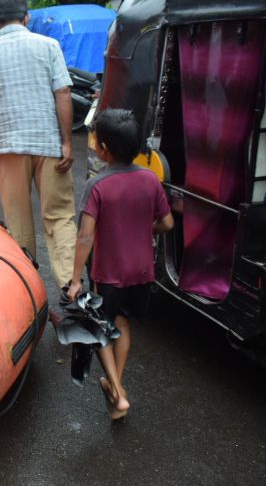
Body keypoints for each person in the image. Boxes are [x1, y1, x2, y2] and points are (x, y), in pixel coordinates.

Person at [0, 0, 76, 288]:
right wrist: (66, 142)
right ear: (26, 17)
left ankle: (30, 294)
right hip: (50, 146)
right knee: (59, 218)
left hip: (9, 149)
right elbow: (63, 92)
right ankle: (71, 290)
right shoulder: (49, 45)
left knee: (19, 225)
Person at [67, 109, 174, 420]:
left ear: (103, 148)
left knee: (100, 328)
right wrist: (143, 229)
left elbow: (85, 237)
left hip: (109, 274)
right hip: (141, 271)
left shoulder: (97, 185)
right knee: (123, 323)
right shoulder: (150, 179)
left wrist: (75, 281)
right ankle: (116, 385)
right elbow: (167, 223)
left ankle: (118, 392)